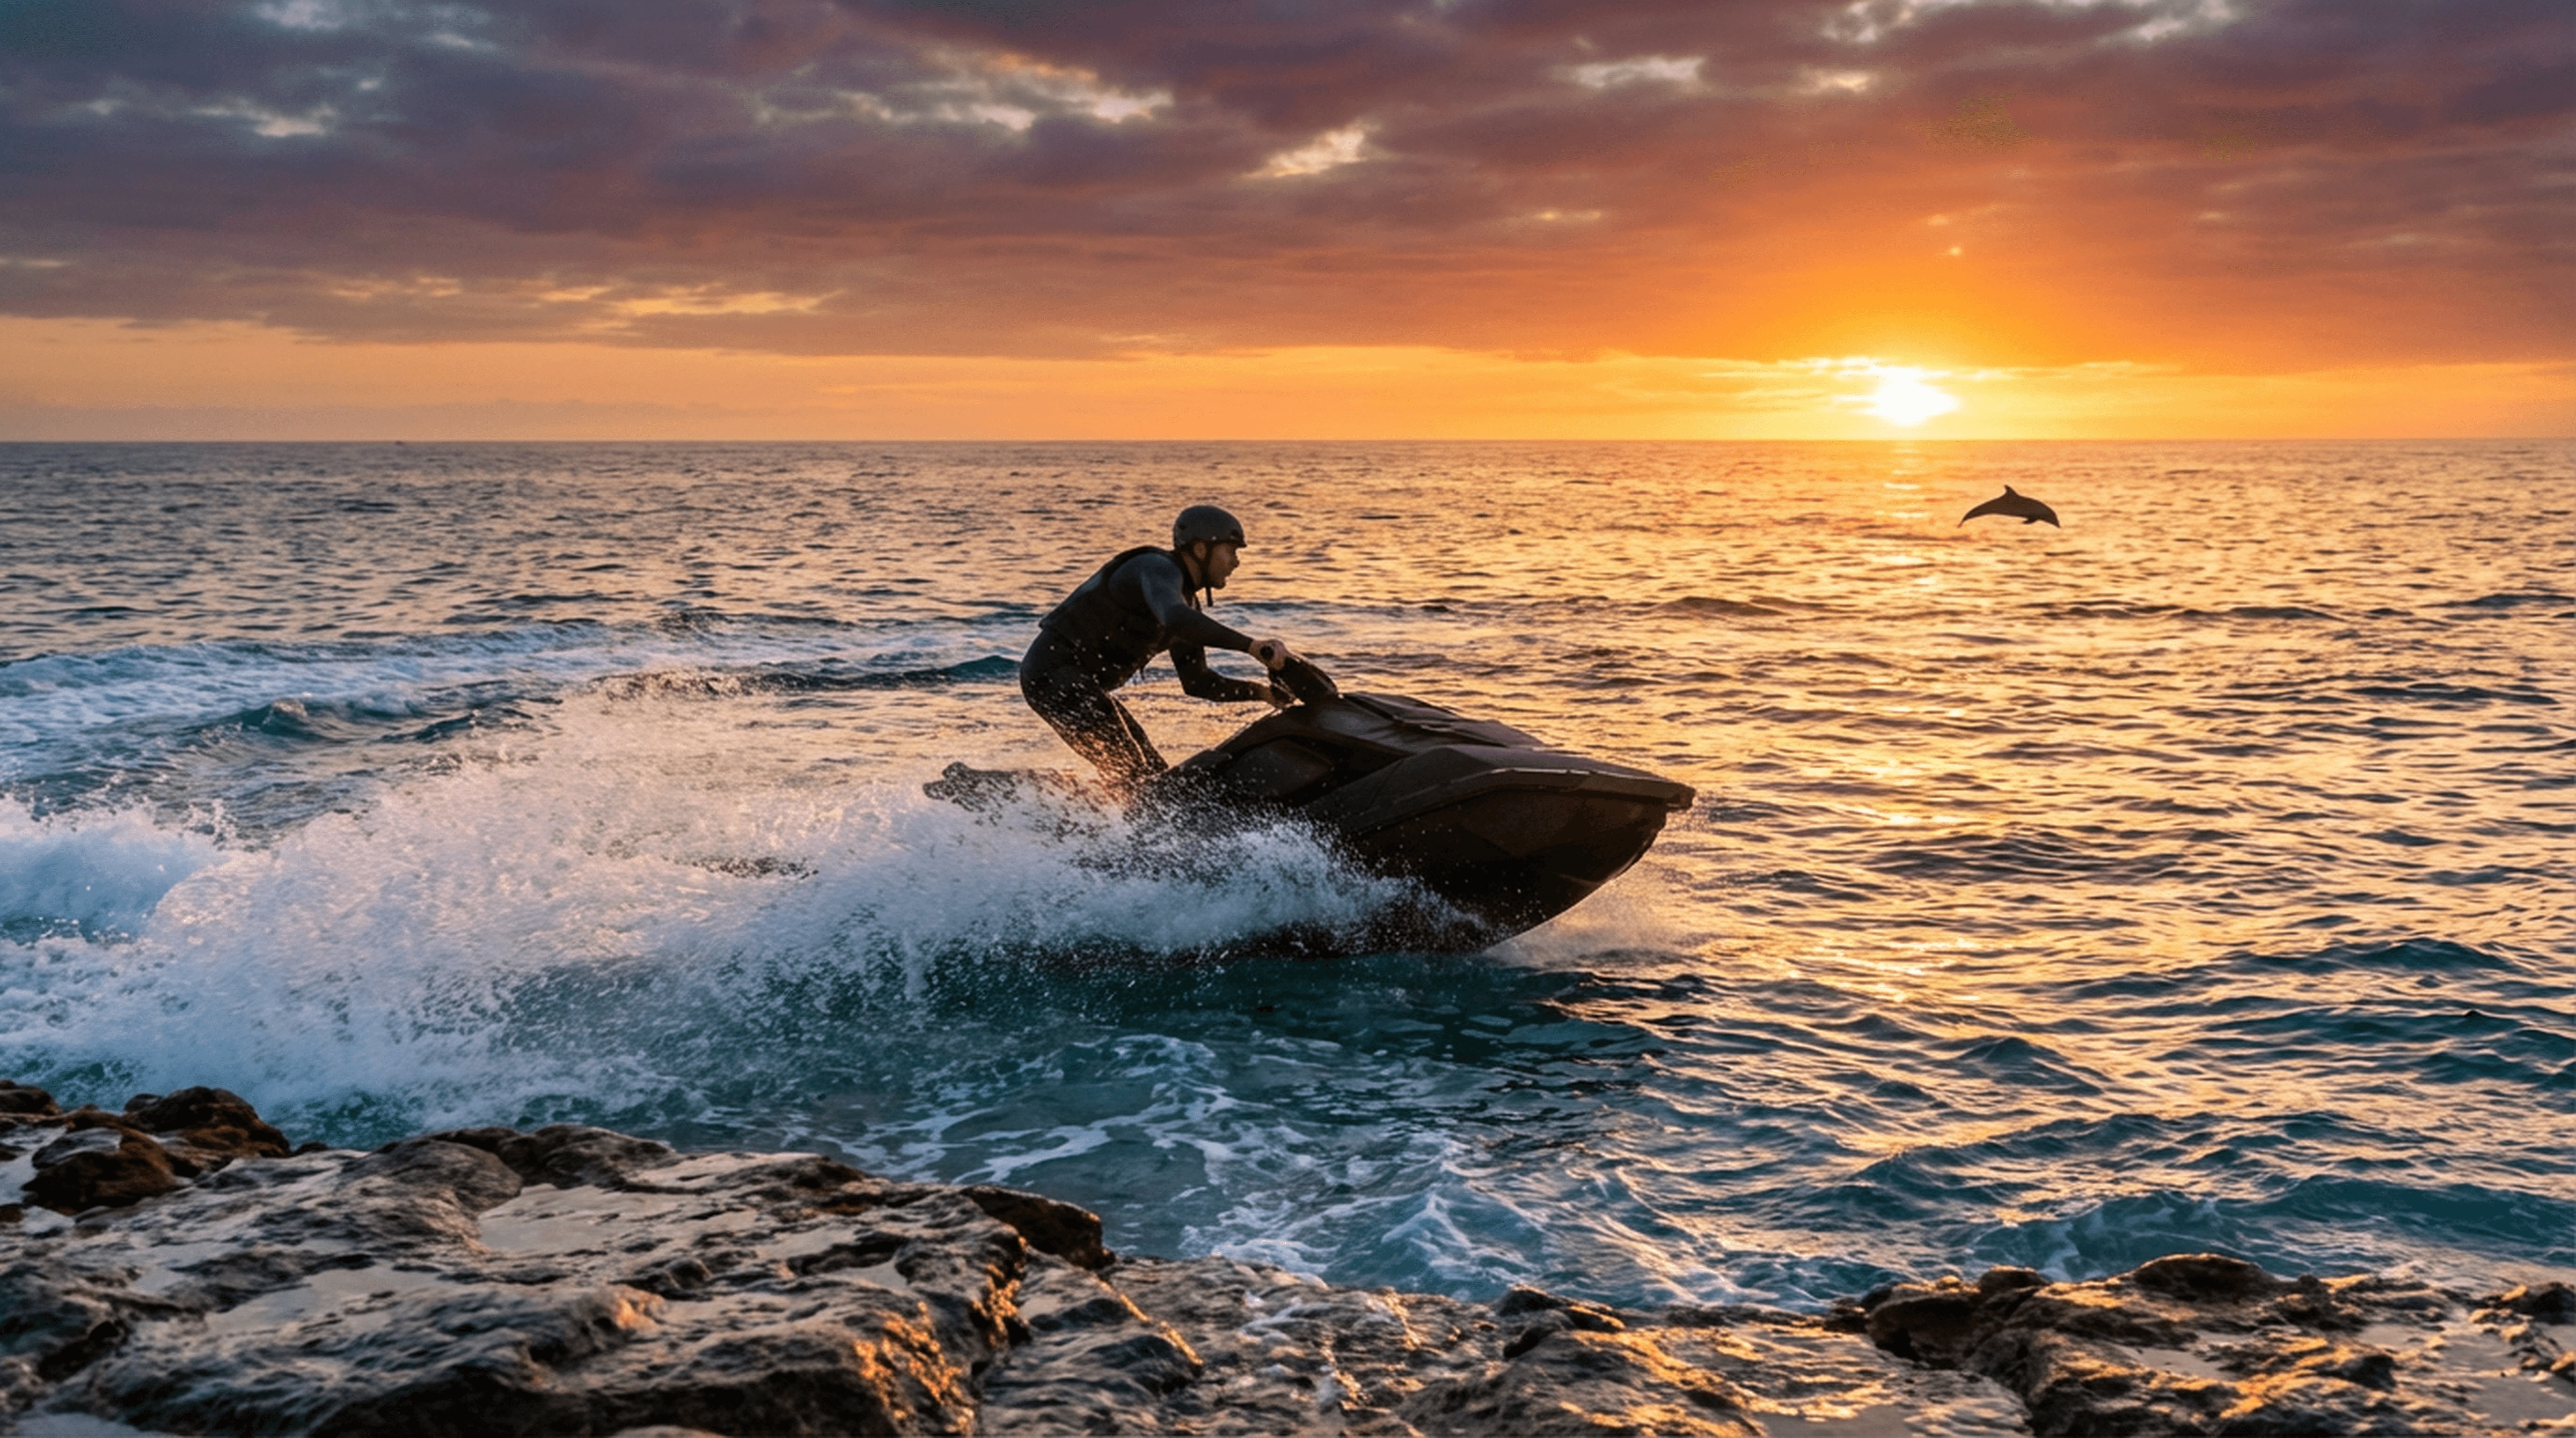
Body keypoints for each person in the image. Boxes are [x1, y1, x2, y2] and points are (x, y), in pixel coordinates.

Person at [1021, 504, 1300, 793]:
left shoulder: (1186, 606)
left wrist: (1264, 694)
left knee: (1155, 773)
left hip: (1082, 685)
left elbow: (1199, 682)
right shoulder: (1156, 569)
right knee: (1134, 772)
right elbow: (1176, 619)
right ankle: (1117, 830)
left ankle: (1107, 821)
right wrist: (1251, 646)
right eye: (1231, 551)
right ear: (1202, 550)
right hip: (1052, 675)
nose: (1236, 562)